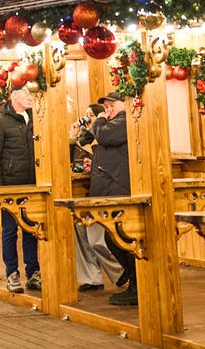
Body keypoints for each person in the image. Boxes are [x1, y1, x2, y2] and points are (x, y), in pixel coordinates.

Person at [0, 85, 40, 293]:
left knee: (31, 230)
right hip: (9, 186)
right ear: (14, 95)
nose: (30, 97)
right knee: (9, 231)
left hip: (32, 184)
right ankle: (12, 273)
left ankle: (33, 272)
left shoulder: (35, 119)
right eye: (26, 93)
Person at [70, 105, 123, 291]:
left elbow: (113, 160)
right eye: (86, 115)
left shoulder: (108, 130)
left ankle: (123, 273)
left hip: (108, 190)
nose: (88, 119)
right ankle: (91, 277)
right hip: (89, 188)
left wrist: (94, 165)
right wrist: (73, 134)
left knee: (98, 239)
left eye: (91, 115)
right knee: (80, 230)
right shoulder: (86, 136)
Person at [90, 91, 136, 305]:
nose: (107, 111)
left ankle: (136, 284)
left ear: (123, 104)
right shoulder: (115, 122)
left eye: (111, 106)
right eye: (105, 107)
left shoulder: (125, 120)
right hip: (111, 188)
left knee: (120, 238)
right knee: (113, 237)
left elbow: (103, 136)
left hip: (119, 189)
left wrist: (99, 119)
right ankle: (134, 280)